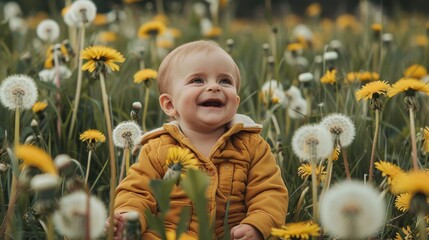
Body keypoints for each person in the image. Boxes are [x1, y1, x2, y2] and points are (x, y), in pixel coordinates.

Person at [106, 40, 288, 240]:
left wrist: (257, 225)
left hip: (231, 234)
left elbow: (270, 192)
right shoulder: (156, 149)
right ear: (169, 104)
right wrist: (129, 217)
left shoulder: (252, 145)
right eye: (198, 80)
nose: (214, 87)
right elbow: (137, 192)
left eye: (225, 81)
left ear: (236, 102)